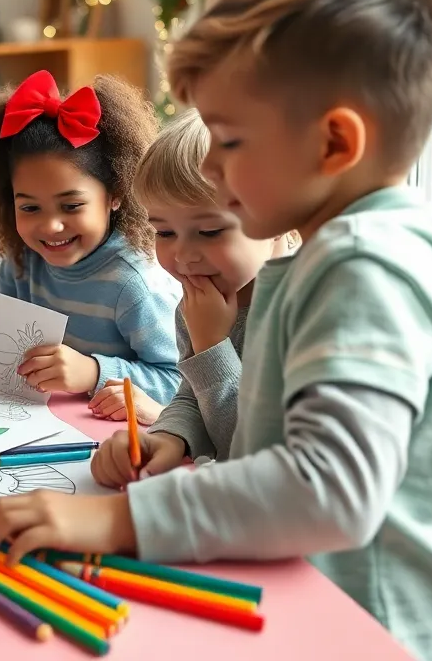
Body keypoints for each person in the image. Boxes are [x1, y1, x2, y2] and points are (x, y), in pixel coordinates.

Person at [0, 0, 432, 660]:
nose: (214, 171)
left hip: (380, 629)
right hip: (313, 601)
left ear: (333, 144)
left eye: (230, 141)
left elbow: (326, 488)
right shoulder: (336, 256)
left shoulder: (365, 269)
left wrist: (114, 523)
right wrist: (175, 436)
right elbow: (259, 423)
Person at [0, 71, 181, 403]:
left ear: (116, 194)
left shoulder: (134, 284)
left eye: (71, 205)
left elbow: (180, 382)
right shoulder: (22, 262)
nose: (51, 226)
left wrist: (93, 373)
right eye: (30, 208)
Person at [88, 109, 292, 484]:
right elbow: (194, 395)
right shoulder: (200, 297)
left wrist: (212, 343)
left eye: (211, 231)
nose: (183, 256)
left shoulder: (304, 309)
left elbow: (260, 454)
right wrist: (169, 437)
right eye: (164, 233)